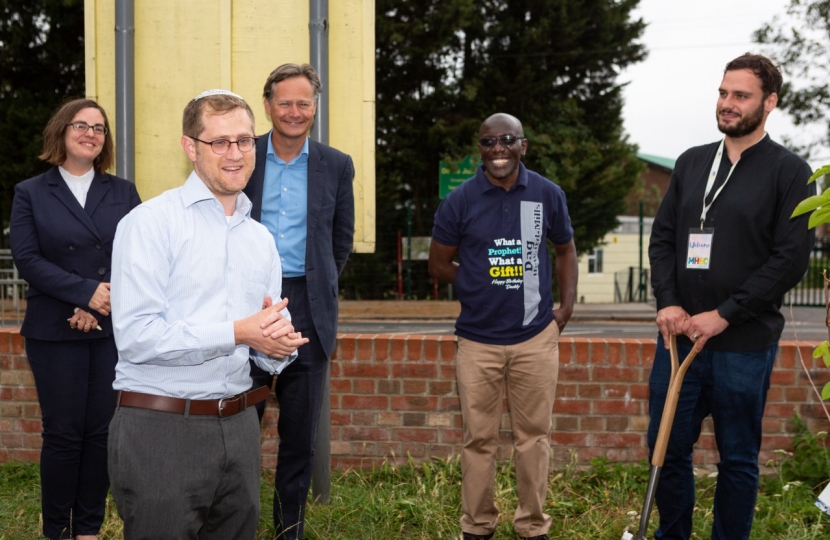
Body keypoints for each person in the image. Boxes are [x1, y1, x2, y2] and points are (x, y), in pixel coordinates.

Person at [107, 89, 308, 539]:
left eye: (244, 140)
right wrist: (240, 331)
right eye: (219, 142)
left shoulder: (261, 240)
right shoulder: (149, 223)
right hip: (160, 428)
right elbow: (138, 337)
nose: (235, 154)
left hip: (239, 427)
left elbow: (263, 348)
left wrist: (277, 347)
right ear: (190, 147)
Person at [648, 53, 815, 540]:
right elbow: (662, 239)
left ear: (769, 102)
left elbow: (789, 260)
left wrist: (724, 314)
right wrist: (668, 302)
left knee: (738, 458)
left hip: (742, 344)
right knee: (665, 450)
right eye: (723, 92)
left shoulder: (789, 172)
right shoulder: (692, 162)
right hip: (680, 340)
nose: (727, 103)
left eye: (740, 95)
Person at [428, 113, 578, 540]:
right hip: (477, 341)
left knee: (534, 437)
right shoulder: (460, 201)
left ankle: (533, 526)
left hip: (535, 337)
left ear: (522, 146)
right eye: (489, 141)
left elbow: (565, 250)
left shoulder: (547, 195)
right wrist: (476, 280)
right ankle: (477, 526)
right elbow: (438, 264)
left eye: (507, 140)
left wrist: (564, 310)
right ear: (480, 147)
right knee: (479, 440)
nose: (498, 149)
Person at [9, 98, 140, 540]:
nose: (90, 133)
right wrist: (82, 294)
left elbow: (138, 259)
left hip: (109, 327)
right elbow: (28, 259)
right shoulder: (30, 192)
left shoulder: (123, 192)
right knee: (63, 434)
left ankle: (87, 530)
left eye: (99, 128)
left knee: (101, 433)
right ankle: (56, 532)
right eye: (81, 125)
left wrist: (102, 299)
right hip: (54, 329)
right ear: (62, 132)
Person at [243, 63, 355, 539]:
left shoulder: (336, 164)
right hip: (247, 307)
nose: (294, 112)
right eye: (284, 102)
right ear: (267, 105)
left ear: (315, 107)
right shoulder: (242, 157)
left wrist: (318, 286)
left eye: (303, 103)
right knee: (239, 430)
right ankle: (235, 524)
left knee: (299, 439)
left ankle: (289, 528)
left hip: (307, 309)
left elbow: (340, 240)